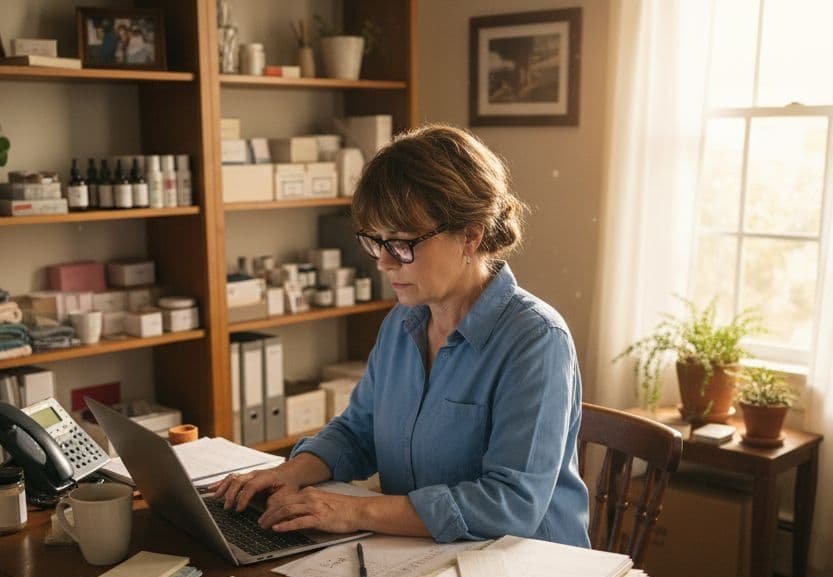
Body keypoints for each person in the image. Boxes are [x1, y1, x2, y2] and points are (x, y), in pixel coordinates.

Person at [214, 124, 590, 547]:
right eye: (376, 242)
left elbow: (511, 504)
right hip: (425, 555)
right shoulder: (403, 322)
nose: (384, 263)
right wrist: (289, 473)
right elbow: (359, 431)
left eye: (402, 244)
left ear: (470, 235)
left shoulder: (536, 340)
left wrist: (353, 511)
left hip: (531, 572)